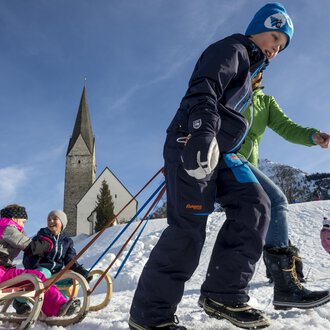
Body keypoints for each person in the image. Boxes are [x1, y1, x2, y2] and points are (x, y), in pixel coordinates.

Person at [129, 3, 298, 330]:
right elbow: (203, 90)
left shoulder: (251, 75)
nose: (275, 49)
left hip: (221, 152)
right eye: (273, 37)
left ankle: (224, 292)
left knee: (257, 204)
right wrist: (202, 133)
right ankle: (150, 317)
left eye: (280, 47)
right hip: (192, 141)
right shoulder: (231, 49)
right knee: (189, 229)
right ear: (256, 28)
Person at [238, 71, 330, 310]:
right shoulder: (230, 90)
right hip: (224, 158)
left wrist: (312, 135)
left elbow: (285, 126)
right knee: (276, 201)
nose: (257, 72)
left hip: (246, 165)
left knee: (263, 212)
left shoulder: (265, 101)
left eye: (261, 68)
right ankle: (285, 286)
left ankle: (277, 282)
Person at [0, 204, 80, 317]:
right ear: (14, 218)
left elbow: (70, 258)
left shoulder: (66, 241)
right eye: (23, 222)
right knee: (38, 276)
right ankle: (56, 307)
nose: (23, 226)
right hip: (2, 272)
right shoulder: (7, 228)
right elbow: (30, 247)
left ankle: (62, 303)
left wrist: (78, 269)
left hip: (4, 271)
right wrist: (45, 245)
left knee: (49, 277)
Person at [15, 210, 91, 313]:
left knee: (69, 277)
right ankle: (19, 300)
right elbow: (29, 254)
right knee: (45, 272)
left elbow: (70, 259)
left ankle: (64, 305)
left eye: (55, 219)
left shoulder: (66, 242)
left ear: (62, 223)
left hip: (54, 275)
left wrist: (79, 271)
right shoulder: (41, 237)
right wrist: (35, 257)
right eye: (49, 219)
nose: (51, 221)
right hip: (39, 272)